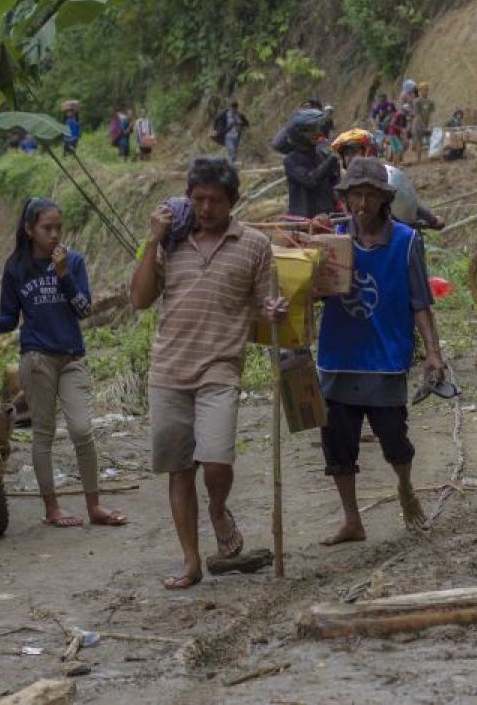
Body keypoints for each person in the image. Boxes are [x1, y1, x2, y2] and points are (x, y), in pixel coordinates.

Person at [129, 158, 286, 589]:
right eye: (197, 199)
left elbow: (264, 301)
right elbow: (140, 299)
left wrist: (273, 309)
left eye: (215, 200)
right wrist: (151, 241)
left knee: (216, 460)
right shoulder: (171, 241)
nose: (205, 208)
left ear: (232, 202)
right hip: (169, 369)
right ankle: (192, 560)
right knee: (179, 469)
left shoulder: (254, 244)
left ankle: (218, 508)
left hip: (221, 365)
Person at [0, 198, 125, 528]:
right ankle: (51, 508)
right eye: (47, 228)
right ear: (29, 230)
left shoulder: (75, 262)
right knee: (44, 433)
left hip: (72, 356)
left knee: (82, 429)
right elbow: (12, 318)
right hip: (37, 357)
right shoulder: (16, 268)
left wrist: (64, 275)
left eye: (58, 228)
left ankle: (94, 505)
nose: (54, 235)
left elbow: (84, 310)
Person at [316, 157, 446, 545]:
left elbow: (420, 302)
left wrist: (433, 354)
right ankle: (352, 519)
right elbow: (311, 291)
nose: (362, 204)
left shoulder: (406, 241)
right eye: (355, 195)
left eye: (370, 195)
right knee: (338, 443)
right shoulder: (333, 239)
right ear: (346, 198)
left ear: (383, 200)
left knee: (394, 439)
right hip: (339, 355)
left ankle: (405, 486)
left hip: (386, 357)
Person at [330, 129, 443, 228]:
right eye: (346, 154)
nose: (349, 158)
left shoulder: (386, 176)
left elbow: (406, 200)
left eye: (354, 152)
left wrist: (431, 219)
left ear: (367, 151)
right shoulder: (342, 182)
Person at [283, 108, 340, 218]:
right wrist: (331, 161)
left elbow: (335, 183)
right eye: (312, 130)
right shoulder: (291, 160)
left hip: (328, 217)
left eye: (316, 129)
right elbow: (310, 180)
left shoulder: (322, 155)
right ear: (298, 134)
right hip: (303, 221)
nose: (318, 133)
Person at [413, 82, 436, 163]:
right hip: (418, 124)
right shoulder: (417, 101)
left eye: (426, 90)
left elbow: (432, 113)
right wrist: (423, 126)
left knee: (430, 140)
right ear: (420, 91)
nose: (425, 91)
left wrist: (430, 124)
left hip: (427, 123)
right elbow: (417, 115)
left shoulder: (430, 101)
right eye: (423, 90)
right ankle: (418, 159)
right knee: (419, 142)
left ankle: (430, 157)